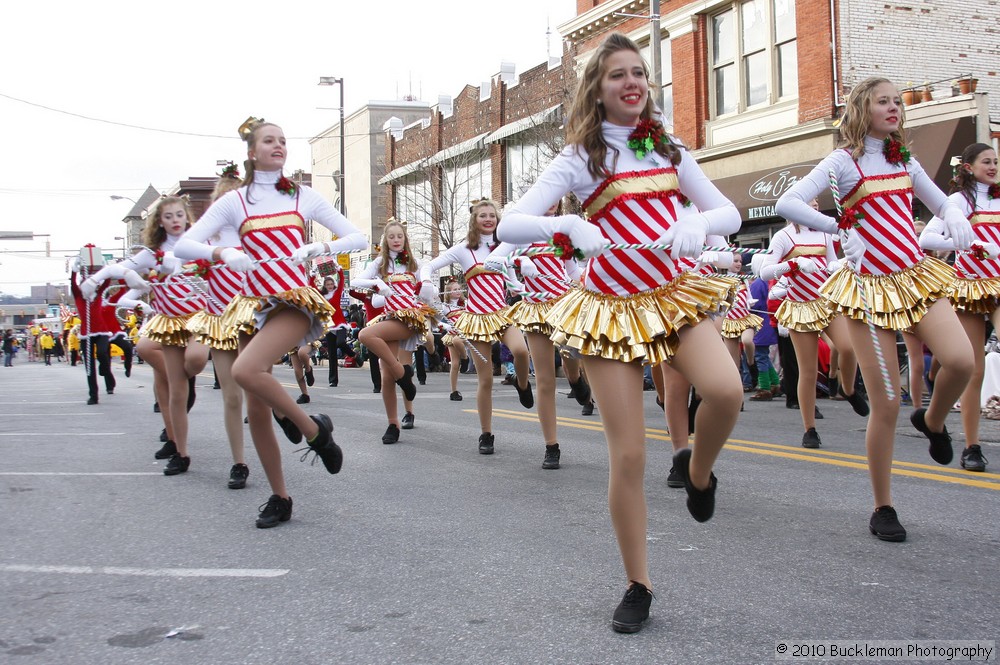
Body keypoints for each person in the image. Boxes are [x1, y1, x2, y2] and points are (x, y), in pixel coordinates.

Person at [499, 33, 742, 633]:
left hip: (674, 294)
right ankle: (638, 583)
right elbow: (509, 223)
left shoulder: (669, 147)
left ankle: (698, 472)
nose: (632, 83)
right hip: (610, 307)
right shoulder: (580, 157)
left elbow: (729, 213)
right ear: (597, 88)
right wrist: (571, 225)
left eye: (639, 73)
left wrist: (697, 222)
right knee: (628, 455)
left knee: (729, 392)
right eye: (618, 76)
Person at [775, 76, 975, 542]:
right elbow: (789, 201)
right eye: (883, 101)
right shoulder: (841, 162)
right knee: (885, 402)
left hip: (915, 278)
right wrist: (837, 225)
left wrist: (957, 215)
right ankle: (883, 505)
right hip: (867, 292)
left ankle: (931, 419)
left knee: (962, 360)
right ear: (862, 108)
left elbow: (940, 201)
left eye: (897, 102)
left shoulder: (901, 157)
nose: (894, 108)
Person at [174, 120, 367, 527]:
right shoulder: (235, 202)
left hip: (294, 301)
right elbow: (185, 245)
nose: (278, 146)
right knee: (255, 407)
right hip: (252, 306)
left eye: (282, 140)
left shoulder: (302, 195)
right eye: (269, 140)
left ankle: (313, 429)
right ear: (252, 152)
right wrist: (223, 254)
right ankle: (280, 496)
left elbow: (359, 238)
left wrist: (321, 246)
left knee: (246, 371)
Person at [85, 197, 209, 475]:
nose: (175, 220)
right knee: (170, 386)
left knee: (196, 360)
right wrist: (94, 280)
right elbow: (121, 268)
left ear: (187, 217)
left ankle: (186, 380)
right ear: (160, 222)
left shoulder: (199, 245)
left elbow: (222, 265)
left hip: (199, 320)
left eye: (179, 214)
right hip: (167, 322)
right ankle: (180, 450)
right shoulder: (152, 254)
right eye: (168, 216)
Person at [419, 200, 534, 455]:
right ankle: (486, 433)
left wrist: (526, 280)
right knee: (485, 380)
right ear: (474, 219)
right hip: (477, 318)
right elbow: (427, 265)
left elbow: (513, 282)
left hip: (501, 314)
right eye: (483, 215)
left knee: (522, 351)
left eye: (492, 215)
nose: (488, 219)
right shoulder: (463, 249)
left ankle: (523, 385)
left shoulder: (505, 246)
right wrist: (426, 281)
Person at [919, 142, 1000, 472]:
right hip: (969, 286)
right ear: (968, 166)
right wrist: (968, 243)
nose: (993, 166)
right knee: (975, 369)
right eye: (986, 161)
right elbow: (927, 239)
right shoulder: (958, 201)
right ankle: (972, 445)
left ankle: (939, 373)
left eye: (996, 161)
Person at [758, 209, 869, 449]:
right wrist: (793, 264)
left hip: (826, 301)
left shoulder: (826, 234)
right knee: (807, 371)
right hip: (800, 306)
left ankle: (848, 389)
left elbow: (830, 263)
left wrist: (840, 264)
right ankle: (810, 429)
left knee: (848, 348)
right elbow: (764, 271)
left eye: (817, 205)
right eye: (810, 205)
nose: (814, 210)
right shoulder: (783, 236)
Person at [506, 201, 594, 469]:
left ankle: (577, 379)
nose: (552, 202)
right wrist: (521, 263)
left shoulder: (563, 230)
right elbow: (499, 260)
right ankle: (551, 445)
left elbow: (572, 271)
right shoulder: (521, 231)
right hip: (535, 308)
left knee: (571, 361)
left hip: (563, 304)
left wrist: (588, 279)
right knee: (545, 379)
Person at [184, 166, 251, 489]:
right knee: (231, 396)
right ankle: (239, 461)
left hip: (252, 320)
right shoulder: (205, 241)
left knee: (256, 388)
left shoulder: (253, 236)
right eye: (223, 200)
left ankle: (286, 419)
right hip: (220, 323)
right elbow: (182, 259)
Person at [352, 220, 432, 444]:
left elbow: (427, 289)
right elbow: (357, 281)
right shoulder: (380, 263)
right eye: (392, 237)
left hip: (408, 318)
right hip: (389, 317)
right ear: (385, 241)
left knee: (365, 335)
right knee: (386, 377)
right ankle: (392, 424)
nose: (396, 240)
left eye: (400, 236)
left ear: (405, 239)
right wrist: (377, 285)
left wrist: (426, 288)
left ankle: (402, 373)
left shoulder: (415, 263)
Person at [320, 268, 356, 387]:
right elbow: (311, 286)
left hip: (340, 323)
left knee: (340, 342)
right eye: (327, 284)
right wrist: (312, 275)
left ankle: (353, 355)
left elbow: (341, 280)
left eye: (331, 284)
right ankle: (333, 380)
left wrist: (339, 270)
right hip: (329, 326)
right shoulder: (321, 295)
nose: (330, 286)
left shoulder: (337, 292)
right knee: (332, 354)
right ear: (324, 285)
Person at [439, 279, 468, 401]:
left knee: (458, 340)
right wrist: (446, 326)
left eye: (458, 289)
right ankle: (454, 391)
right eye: (454, 289)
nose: (458, 291)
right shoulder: (445, 307)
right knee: (455, 364)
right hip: (452, 333)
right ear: (448, 292)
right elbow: (436, 322)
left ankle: (465, 358)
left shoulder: (466, 303)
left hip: (466, 333)